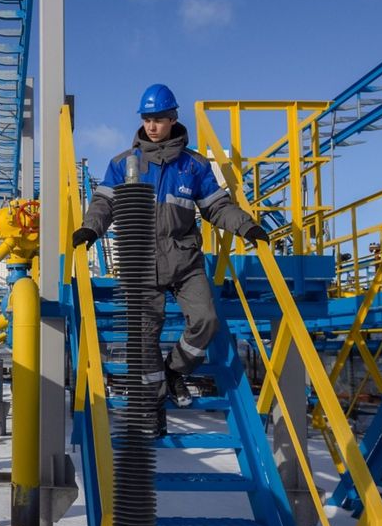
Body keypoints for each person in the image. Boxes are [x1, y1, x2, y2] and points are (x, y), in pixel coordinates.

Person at [71, 83, 266, 408]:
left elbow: (217, 207)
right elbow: (103, 205)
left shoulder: (194, 166)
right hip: (142, 262)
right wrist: (90, 230)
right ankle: (155, 405)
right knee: (144, 338)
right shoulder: (123, 165)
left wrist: (247, 227)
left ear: (173, 118)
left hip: (185, 262)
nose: (151, 126)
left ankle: (175, 371)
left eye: (158, 119)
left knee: (206, 320)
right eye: (147, 119)